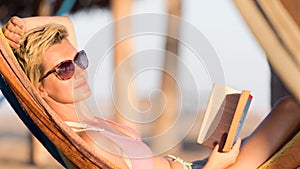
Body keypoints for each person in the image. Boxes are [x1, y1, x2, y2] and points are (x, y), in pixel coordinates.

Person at [2, 16, 300, 169]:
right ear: (38, 88)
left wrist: (21, 26)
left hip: (198, 165)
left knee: (290, 107)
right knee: (292, 110)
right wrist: (216, 164)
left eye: (79, 60)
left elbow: (64, 24)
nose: (79, 71)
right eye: (65, 69)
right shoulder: (85, 142)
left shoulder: (86, 119)